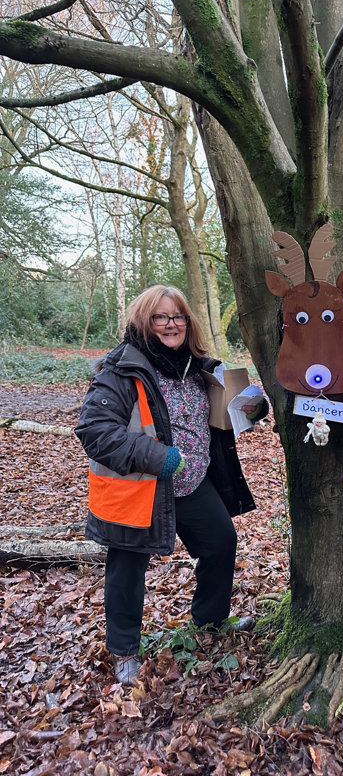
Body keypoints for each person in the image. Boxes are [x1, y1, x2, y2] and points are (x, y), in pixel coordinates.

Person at [75, 285, 267, 686]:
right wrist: (158, 457)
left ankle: (210, 624)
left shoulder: (200, 367)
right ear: (143, 322)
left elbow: (231, 411)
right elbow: (95, 430)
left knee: (221, 542)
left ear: (188, 322)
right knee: (127, 567)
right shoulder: (121, 370)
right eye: (160, 317)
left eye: (177, 316)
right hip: (141, 488)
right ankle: (125, 650)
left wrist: (253, 405)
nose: (170, 324)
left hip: (192, 483)